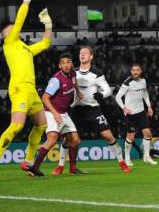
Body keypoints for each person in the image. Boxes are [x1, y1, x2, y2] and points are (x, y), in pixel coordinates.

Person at [0, 0, 52, 184]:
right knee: (17, 126)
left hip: (32, 91)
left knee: (42, 125)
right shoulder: (10, 44)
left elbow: (46, 43)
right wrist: (25, 3)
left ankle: (29, 161)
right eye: (10, 29)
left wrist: (48, 23)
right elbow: (19, 23)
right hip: (19, 89)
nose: (14, 30)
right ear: (6, 35)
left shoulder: (26, 48)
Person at [53, 46, 130, 175]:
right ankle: (61, 166)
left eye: (85, 53)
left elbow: (107, 90)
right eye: (80, 53)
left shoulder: (97, 73)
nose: (82, 55)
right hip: (75, 109)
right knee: (69, 139)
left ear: (91, 56)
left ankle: (122, 162)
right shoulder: (72, 72)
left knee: (108, 136)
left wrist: (101, 95)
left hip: (93, 109)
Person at [26, 53, 83, 176]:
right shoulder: (56, 80)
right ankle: (34, 168)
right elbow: (45, 98)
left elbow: (74, 83)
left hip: (63, 112)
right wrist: (55, 114)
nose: (66, 65)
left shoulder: (73, 74)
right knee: (52, 140)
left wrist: (78, 92)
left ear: (71, 64)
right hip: (51, 112)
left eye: (68, 62)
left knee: (76, 140)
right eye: (63, 63)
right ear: (59, 65)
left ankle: (73, 168)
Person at [115, 63, 156, 166]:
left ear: (141, 71)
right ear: (131, 71)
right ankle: (127, 158)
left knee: (148, 133)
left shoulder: (143, 81)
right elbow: (118, 97)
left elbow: (144, 94)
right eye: (133, 70)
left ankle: (146, 156)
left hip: (141, 112)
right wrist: (124, 108)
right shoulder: (127, 83)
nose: (135, 72)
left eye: (137, 70)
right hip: (130, 114)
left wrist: (149, 106)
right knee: (131, 137)